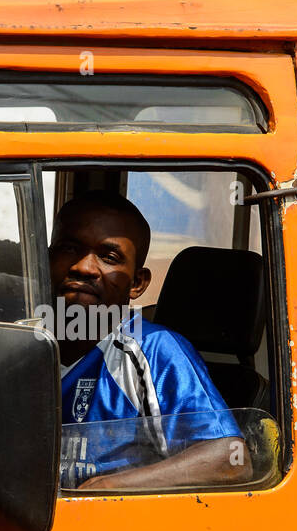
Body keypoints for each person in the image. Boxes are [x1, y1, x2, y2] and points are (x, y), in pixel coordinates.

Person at [49, 190, 250, 490]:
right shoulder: (21, 343)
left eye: (109, 257)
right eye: (69, 249)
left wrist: (106, 488)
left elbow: (230, 460)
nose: (84, 267)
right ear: (46, 257)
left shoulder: (152, 350)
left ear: (138, 283)